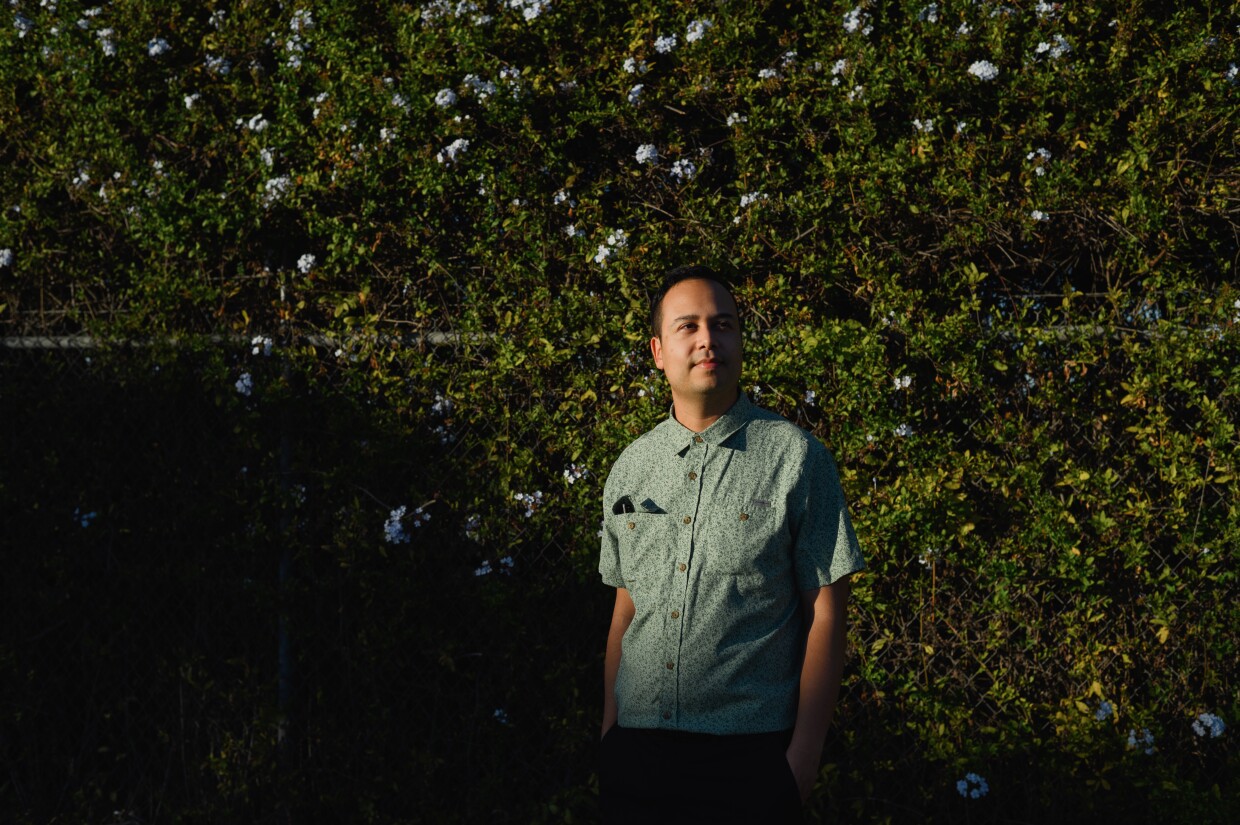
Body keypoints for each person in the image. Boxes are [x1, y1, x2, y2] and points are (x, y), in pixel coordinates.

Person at [598, 265, 866, 823]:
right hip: (635, 758)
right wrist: (609, 732)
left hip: (749, 763)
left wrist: (803, 759)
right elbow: (626, 607)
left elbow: (827, 611)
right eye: (687, 326)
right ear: (657, 350)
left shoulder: (796, 458)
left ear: (739, 340)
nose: (706, 339)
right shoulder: (630, 468)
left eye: (722, 325)